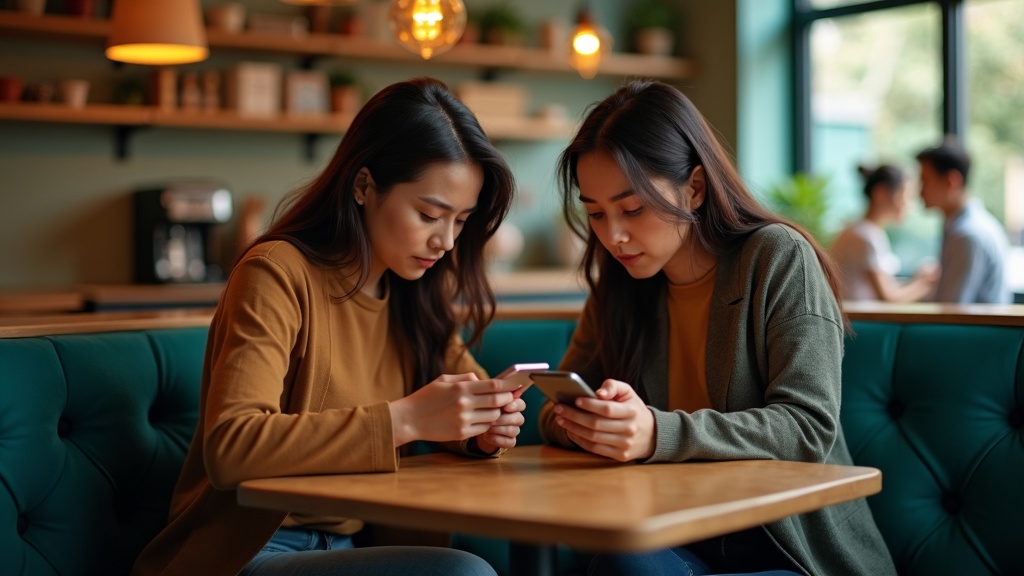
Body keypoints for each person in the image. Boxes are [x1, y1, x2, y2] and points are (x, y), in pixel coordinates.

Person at [132, 77, 524, 576]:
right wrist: (406, 419)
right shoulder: (276, 272)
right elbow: (232, 446)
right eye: (429, 214)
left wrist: (481, 429)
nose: (445, 241)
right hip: (250, 554)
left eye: (461, 221)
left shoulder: (414, 293)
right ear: (363, 186)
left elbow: (462, 398)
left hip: (354, 548)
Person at [539, 80, 896, 576]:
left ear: (696, 186)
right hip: (680, 534)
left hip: (789, 549)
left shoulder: (776, 258)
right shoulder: (620, 283)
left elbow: (807, 426)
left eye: (633, 208)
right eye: (596, 213)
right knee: (624, 567)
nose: (613, 235)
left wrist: (655, 433)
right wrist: (594, 423)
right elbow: (556, 410)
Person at [917, 137, 1011, 304]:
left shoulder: (967, 234)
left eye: (925, 181)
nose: (920, 192)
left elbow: (951, 308)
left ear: (951, 181)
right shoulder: (968, 225)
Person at [830, 163, 938, 301]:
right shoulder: (865, 236)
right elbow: (888, 297)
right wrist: (925, 283)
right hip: (860, 320)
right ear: (880, 193)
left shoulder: (860, 231)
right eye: (905, 196)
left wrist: (917, 280)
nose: (908, 205)